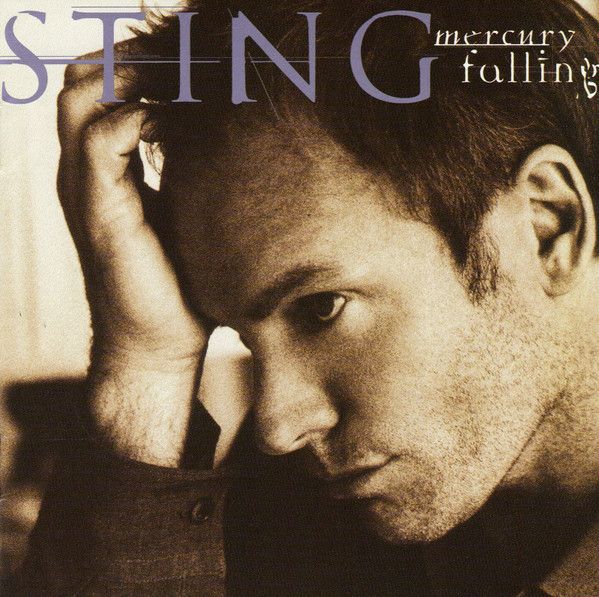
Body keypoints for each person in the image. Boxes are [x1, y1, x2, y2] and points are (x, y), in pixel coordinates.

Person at [19, 0, 599, 594]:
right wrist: (145, 365)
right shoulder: (294, 509)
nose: (277, 426)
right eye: (244, 338)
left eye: (321, 308)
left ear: (547, 226)